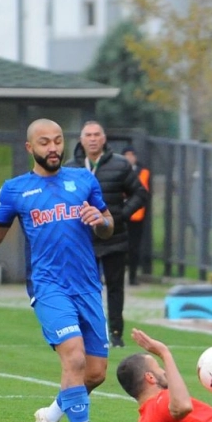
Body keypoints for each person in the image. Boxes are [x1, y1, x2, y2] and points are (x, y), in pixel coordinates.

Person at [0, 119, 114, 422]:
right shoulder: (16, 190)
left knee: (95, 373)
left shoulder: (84, 180)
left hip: (88, 285)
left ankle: (49, 416)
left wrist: (100, 220)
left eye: (58, 141)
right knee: (74, 359)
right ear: (29, 148)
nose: (53, 149)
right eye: (45, 143)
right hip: (49, 287)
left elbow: (108, 228)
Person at [70, 119, 148, 347]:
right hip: (84, 240)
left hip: (114, 238)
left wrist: (121, 215)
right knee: (84, 287)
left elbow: (140, 194)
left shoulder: (120, 165)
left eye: (97, 135)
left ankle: (116, 334)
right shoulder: (71, 168)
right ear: (81, 140)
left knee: (115, 287)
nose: (93, 139)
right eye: (88, 135)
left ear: (104, 139)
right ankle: (87, 333)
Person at [123, 146, 151, 284]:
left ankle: (132, 277)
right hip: (120, 215)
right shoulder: (116, 170)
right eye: (126, 154)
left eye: (131, 154)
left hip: (136, 216)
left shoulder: (143, 171)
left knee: (134, 247)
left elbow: (143, 192)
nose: (129, 157)